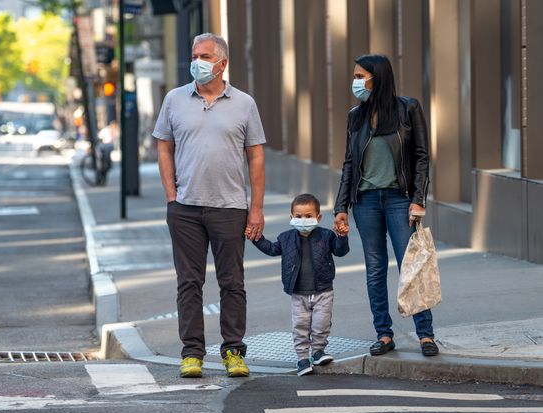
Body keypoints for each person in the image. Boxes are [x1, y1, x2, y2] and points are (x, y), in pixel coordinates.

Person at [153, 33, 266, 378]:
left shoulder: (244, 103)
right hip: (185, 208)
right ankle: (192, 354)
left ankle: (233, 351)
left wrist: (256, 208)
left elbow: (256, 156)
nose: (196, 61)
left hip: (230, 207)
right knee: (189, 283)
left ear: (222, 63)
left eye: (204, 55)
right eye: (194, 55)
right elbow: (163, 147)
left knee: (232, 282)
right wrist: (171, 196)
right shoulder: (174, 99)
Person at [333, 54, 439, 357]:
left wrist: (418, 199)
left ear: (376, 77)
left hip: (399, 199)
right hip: (365, 202)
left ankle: (426, 334)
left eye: (359, 76)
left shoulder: (408, 109)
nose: (355, 82)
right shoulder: (356, 116)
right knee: (375, 269)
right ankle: (383, 333)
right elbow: (349, 164)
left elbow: (422, 157)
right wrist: (341, 206)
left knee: (413, 266)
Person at [249, 194, 349, 376]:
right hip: (298, 293)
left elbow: (341, 251)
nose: (304, 220)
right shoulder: (286, 238)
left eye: (309, 216)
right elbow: (272, 249)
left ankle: (318, 351)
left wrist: (341, 236)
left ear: (318, 218)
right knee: (300, 326)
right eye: (299, 216)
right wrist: (256, 239)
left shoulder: (326, 236)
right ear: (291, 217)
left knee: (321, 324)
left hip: (323, 290)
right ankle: (302, 358)